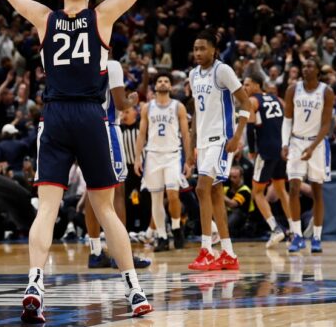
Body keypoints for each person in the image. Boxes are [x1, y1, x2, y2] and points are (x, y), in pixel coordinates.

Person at [0, 0, 185, 321]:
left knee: (47, 207)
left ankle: (34, 284)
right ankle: (134, 292)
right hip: (89, 116)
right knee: (105, 209)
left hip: (55, 117)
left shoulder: (44, 19)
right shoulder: (102, 17)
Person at [188, 27, 252, 271]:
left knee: (201, 188)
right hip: (203, 143)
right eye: (195, 49)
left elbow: (245, 102)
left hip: (221, 140)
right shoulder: (193, 75)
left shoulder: (222, 70)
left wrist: (237, 135)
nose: (198, 53)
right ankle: (228, 253)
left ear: (214, 50)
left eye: (202, 49)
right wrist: (191, 146)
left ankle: (206, 250)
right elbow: (197, 113)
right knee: (214, 194)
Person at [85, 60, 148, 269]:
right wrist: (132, 100)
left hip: (84, 129)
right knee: (118, 191)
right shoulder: (111, 65)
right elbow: (121, 104)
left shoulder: (81, 63)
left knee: (92, 191)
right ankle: (119, 253)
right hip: (107, 128)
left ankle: (95, 252)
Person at [281, 58, 333, 253]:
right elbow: (287, 120)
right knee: (293, 188)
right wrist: (284, 143)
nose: (306, 69)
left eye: (310, 66)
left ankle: (317, 237)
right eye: (304, 66)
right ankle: (297, 236)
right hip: (296, 142)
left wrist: (312, 147)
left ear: (318, 71)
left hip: (317, 145)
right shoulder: (292, 90)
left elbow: (326, 125)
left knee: (317, 191)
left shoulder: (326, 91)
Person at [134, 72, 191, 252]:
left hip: (173, 155)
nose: (163, 83)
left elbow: (186, 134)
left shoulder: (178, 107)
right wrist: (137, 158)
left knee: (173, 195)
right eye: (160, 81)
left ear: (171, 86)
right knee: (156, 199)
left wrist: (189, 159)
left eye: (166, 81)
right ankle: (162, 236)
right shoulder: (147, 107)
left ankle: (176, 227)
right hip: (152, 156)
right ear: (155, 86)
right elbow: (141, 134)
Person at [243, 74, 292, 248]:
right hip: (281, 150)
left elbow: (250, 129)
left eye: (247, 84)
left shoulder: (252, 101)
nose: (244, 88)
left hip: (266, 151)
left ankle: (275, 228)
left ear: (257, 85)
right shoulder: (277, 99)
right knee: (281, 189)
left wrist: (252, 151)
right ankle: (295, 231)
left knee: (257, 192)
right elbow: (288, 122)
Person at [223, 165, 253, 237]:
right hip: (229, 214)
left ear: (241, 177)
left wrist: (219, 194)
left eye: (234, 177)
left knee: (237, 212)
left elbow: (233, 204)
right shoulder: (226, 188)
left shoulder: (245, 190)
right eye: (230, 177)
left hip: (244, 219)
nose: (231, 179)